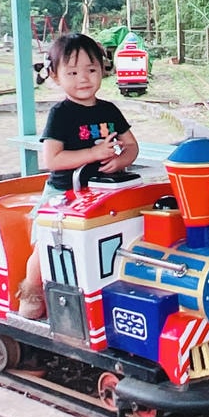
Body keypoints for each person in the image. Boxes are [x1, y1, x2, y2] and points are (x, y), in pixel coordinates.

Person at [18, 32, 139, 319]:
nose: (83, 78)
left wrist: (121, 160)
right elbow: (52, 159)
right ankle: (31, 296)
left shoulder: (109, 110)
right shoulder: (61, 113)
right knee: (43, 247)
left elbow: (132, 145)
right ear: (56, 76)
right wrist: (94, 154)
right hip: (64, 195)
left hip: (103, 192)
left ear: (103, 71)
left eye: (91, 70)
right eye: (72, 71)